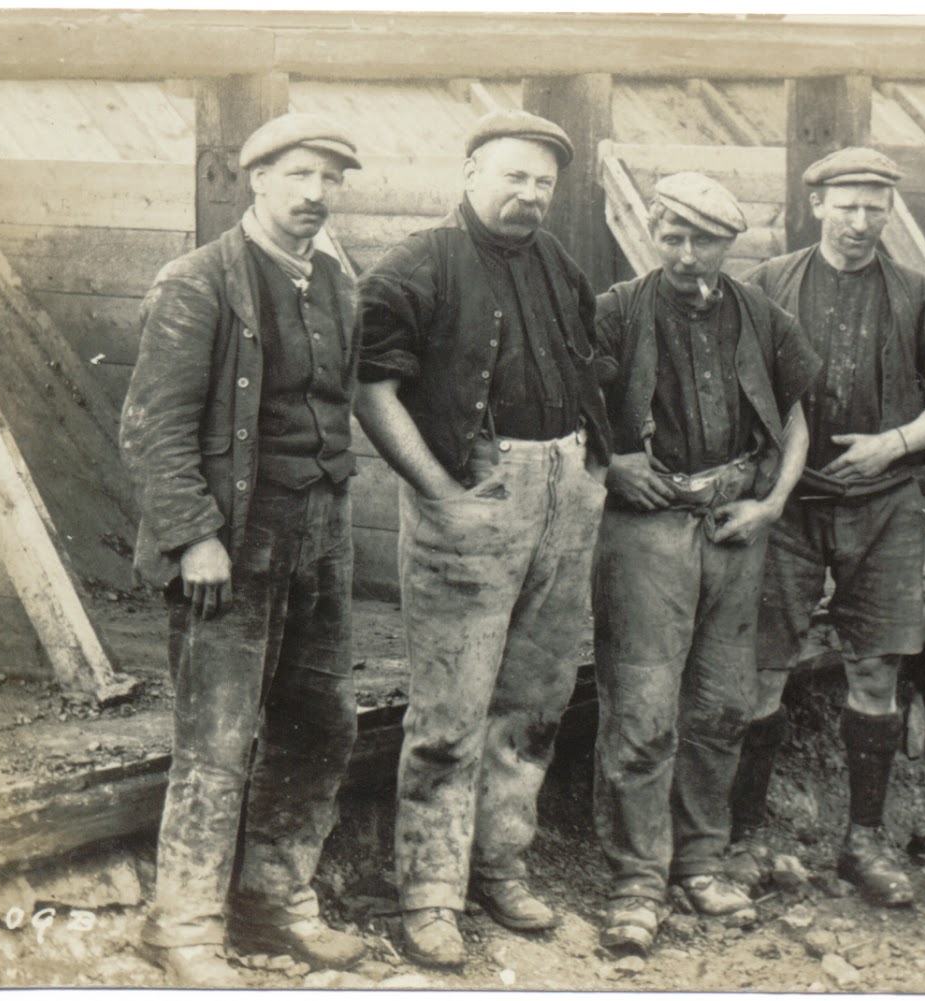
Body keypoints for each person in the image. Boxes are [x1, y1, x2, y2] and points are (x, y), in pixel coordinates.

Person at [355, 110, 612, 969]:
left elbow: (592, 370)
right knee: (450, 710)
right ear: (469, 173)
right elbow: (372, 389)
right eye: (513, 176)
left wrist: (592, 474)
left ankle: (501, 863)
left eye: (543, 182)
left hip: (563, 492)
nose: (529, 194)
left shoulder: (558, 264)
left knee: (535, 700)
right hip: (472, 495)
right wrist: (439, 491)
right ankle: (429, 892)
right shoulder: (418, 263)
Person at [120, 113, 368, 985]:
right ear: (255, 178)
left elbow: (334, 410)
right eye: (300, 174)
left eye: (331, 179)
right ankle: (181, 923)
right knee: (218, 736)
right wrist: (195, 538)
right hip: (233, 538)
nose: (316, 194)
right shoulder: (200, 283)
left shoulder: (336, 282)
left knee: (320, 722)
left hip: (321, 535)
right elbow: (153, 427)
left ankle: (274, 896)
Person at [732, 148, 925, 907]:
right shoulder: (767, 286)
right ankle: (741, 836)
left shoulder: (917, 296)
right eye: (847, 204)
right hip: (789, 504)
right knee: (761, 670)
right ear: (817, 205)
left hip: (885, 503)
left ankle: (863, 840)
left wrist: (895, 443)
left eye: (876, 206)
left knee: (877, 670)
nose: (861, 220)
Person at [590, 172, 819, 954]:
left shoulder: (761, 315)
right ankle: (635, 879)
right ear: (655, 234)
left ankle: (701, 859)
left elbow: (794, 418)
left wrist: (772, 503)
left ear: (732, 242)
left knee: (722, 703)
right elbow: (577, 409)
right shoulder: (618, 310)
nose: (687, 255)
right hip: (649, 526)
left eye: (705, 239)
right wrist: (614, 461)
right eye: (673, 236)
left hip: (735, 523)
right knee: (643, 706)